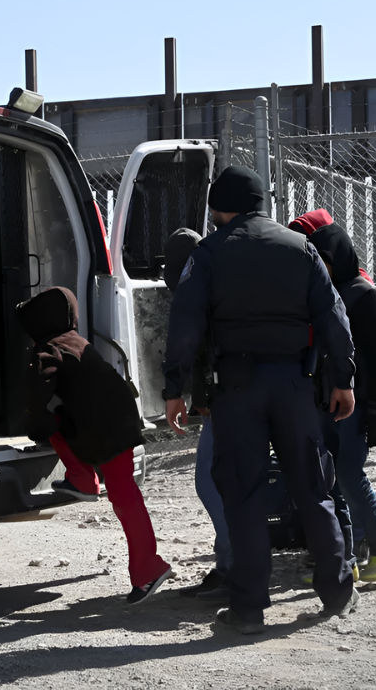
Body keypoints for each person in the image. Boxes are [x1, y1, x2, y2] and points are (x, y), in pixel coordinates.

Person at [162, 166, 358, 634]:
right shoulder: (301, 247)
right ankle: (336, 592)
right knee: (312, 486)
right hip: (294, 384)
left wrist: (174, 389)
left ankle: (249, 609)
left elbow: (184, 325)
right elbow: (334, 317)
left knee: (243, 492)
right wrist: (343, 378)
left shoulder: (208, 253)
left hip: (237, 389)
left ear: (218, 208)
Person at [17, 287, 172, 604]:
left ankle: (148, 568)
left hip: (104, 427)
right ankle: (146, 565)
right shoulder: (77, 342)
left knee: (122, 495)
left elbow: (39, 391)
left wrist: (35, 426)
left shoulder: (49, 348)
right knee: (125, 493)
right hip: (122, 417)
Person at [305, 223, 376, 582]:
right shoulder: (324, 293)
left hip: (354, 404)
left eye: (323, 260)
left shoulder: (365, 295)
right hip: (326, 401)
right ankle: (346, 560)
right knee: (331, 480)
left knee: (348, 475)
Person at [162, 228, 232, 601]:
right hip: (236, 396)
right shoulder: (220, 280)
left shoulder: (199, 288)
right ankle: (231, 564)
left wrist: (189, 396)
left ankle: (233, 567)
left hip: (223, 400)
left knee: (211, 483)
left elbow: (200, 348)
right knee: (219, 482)